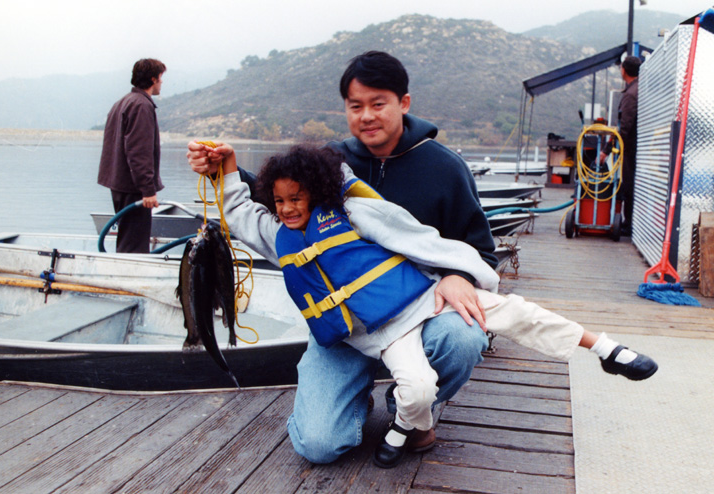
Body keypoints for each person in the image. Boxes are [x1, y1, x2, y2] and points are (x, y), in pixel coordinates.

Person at [186, 51, 657, 466]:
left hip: (421, 304)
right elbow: (278, 203)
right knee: (318, 445)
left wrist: (457, 275)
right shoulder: (326, 168)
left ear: (403, 103)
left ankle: (599, 350)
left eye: (378, 103)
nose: (366, 116)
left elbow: (469, 248)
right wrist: (226, 170)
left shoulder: (438, 169)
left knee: (478, 329)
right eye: (355, 106)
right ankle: (384, 413)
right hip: (347, 334)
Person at [98, 58, 166, 253]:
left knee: (127, 237)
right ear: (153, 79)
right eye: (161, 78)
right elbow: (139, 152)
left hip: (119, 183)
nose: (162, 83)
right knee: (134, 245)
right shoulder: (141, 106)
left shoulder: (122, 102)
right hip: (133, 187)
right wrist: (147, 190)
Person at [600, 55, 640, 236]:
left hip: (630, 149)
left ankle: (628, 224)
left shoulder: (631, 95)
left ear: (623, 70)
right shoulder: (638, 90)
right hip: (636, 148)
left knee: (628, 186)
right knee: (629, 186)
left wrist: (606, 151)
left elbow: (623, 129)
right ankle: (628, 222)